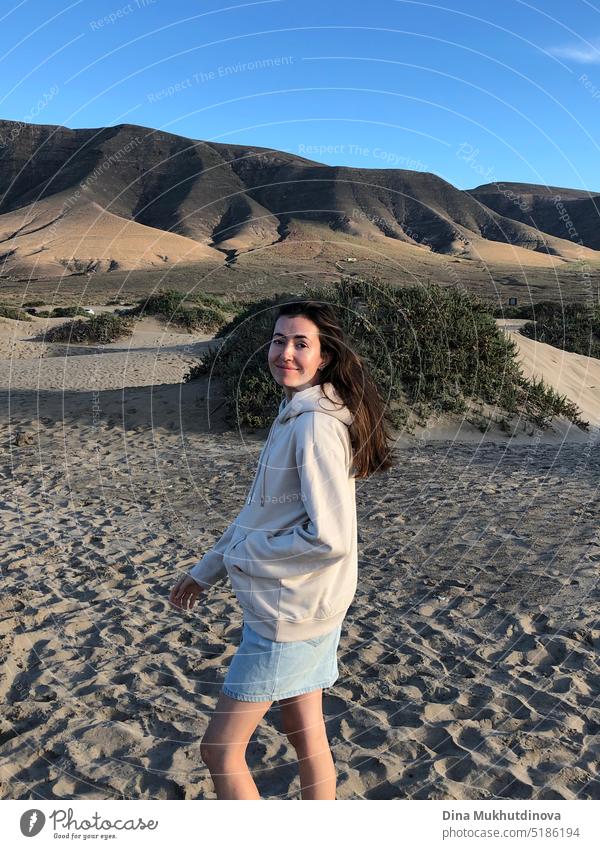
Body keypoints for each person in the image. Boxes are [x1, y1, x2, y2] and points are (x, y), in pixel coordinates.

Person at [170, 298, 395, 799]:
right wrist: (208, 569)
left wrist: (241, 559)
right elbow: (261, 513)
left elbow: (330, 538)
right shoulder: (299, 411)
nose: (285, 353)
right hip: (309, 605)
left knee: (220, 750)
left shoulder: (314, 424)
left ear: (324, 357)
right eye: (278, 340)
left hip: (288, 614)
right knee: (307, 738)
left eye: (301, 344)